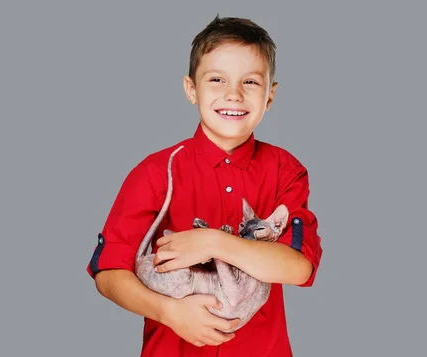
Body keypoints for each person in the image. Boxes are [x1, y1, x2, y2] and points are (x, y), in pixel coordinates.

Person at [86, 14, 323, 357]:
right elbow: (108, 272)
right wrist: (168, 312)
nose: (233, 94)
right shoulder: (154, 172)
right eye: (216, 79)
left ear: (269, 97)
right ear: (191, 89)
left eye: (250, 83)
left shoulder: (286, 170)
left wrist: (214, 242)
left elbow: (299, 268)